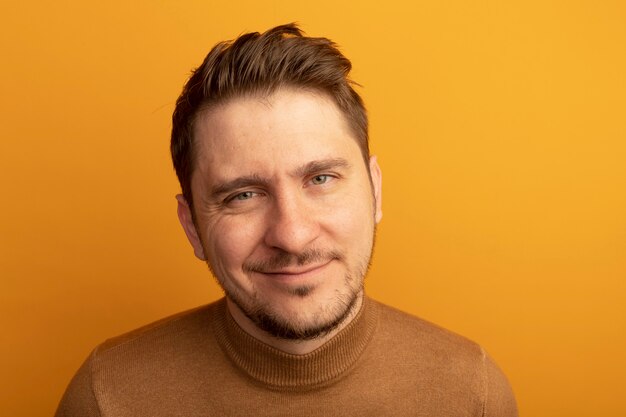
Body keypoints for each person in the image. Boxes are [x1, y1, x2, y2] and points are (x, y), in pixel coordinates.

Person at [55, 23, 518, 416]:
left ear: (375, 190)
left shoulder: (470, 394)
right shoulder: (107, 397)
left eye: (320, 178)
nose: (292, 235)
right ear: (192, 225)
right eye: (243, 195)